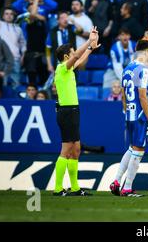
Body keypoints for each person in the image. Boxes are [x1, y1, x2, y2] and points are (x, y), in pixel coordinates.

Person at [52, 26, 100, 197]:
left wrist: (90, 48)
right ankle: (58, 188)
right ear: (66, 57)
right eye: (71, 53)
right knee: (66, 149)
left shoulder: (67, 69)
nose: (74, 54)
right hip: (67, 112)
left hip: (72, 111)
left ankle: (74, 187)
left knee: (76, 149)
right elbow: (76, 57)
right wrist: (88, 40)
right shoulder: (61, 68)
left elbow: (79, 59)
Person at [109, 40, 148, 197]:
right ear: (145, 51)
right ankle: (127, 187)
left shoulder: (127, 68)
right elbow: (143, 95)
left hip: (130, 114)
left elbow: (123, 94)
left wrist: (126, 111)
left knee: (132, 147)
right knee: (139, 150)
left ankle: (116, 181)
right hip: (140, 116)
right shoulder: (143, 69)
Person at [0, 0, 26, 89]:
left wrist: (23, 55)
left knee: (16, 83)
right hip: (2, 59)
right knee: (3, 83)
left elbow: (23, 43)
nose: (9, 16)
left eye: (11, 14)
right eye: (6, 14)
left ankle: (15, 102)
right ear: (3, 16)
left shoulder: (18, 28)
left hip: (15, 59)